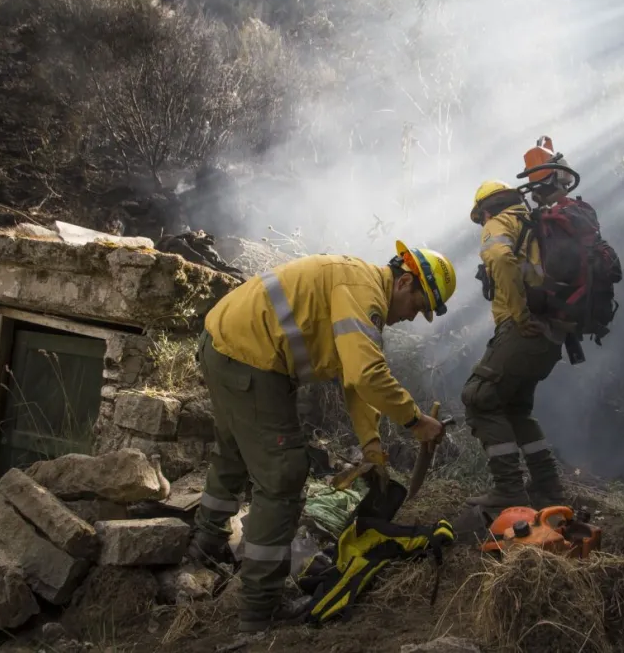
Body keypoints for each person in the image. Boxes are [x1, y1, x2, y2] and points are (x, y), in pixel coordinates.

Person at [189, 241, 457, 633]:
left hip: (225, 345)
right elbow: (367, 374)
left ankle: (206, 544)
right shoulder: (364, 293)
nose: (411, 317)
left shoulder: (358, 285)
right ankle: (261, 609)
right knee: (283, 477)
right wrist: (416, 421)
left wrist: (371, 445)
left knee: (233, 452)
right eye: (417, 306)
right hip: (251, 358)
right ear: (404, 283)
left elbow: (353, 380)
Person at [462, 162, 574, 509]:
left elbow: (499, 257)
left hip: (524, 327)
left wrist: (519, 314)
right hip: (552, 334)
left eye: (480, 218)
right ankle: (548, 487)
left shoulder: (500, 222)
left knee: (479, 397)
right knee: (515, 407)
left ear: (486, 210)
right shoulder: (535, 224)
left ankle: (509, 490)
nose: (482, 223)